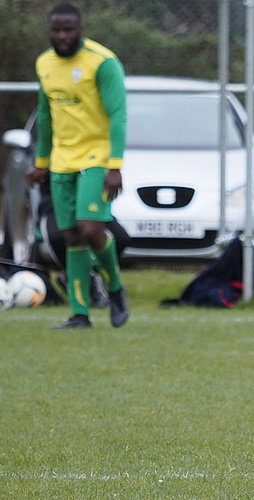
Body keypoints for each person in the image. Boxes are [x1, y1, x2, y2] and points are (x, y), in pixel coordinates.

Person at [26, 2, 129, 329]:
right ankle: (80, 314)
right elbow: (45, 115)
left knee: (91, 227)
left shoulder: (103, 62)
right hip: (61, 160)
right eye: (56, 30)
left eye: (68, 29)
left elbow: (118, 115)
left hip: (97, 157)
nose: (62, 35)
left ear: (81, 30)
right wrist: (42, 162)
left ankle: (115, 288)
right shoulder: (44, 63)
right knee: (70, 235)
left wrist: (115, 166)